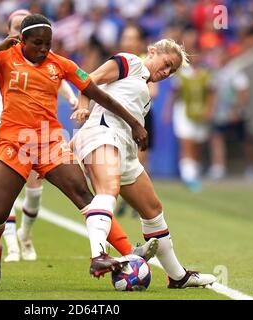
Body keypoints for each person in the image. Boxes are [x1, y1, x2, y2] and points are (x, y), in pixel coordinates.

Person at [0, 13, 154, 289]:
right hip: (13, 144)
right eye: (37, 43)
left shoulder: (60, 64)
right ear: (21, 40)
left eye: (48, 43)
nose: (43, 49)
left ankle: (126, 255)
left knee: (86, 196)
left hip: (50, 143)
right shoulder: (3, 57)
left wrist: (134, 123)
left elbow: (99, 94)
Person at [71, 39, 217, 288]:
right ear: (152, 51)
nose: (166, 72)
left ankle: (177, 276)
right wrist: (83, 106)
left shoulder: (145, 86)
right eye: (167, 64)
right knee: (108, 191)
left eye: (171, 71)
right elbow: (87, 79)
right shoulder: (130, 62)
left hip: (124, 145)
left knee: (153, 209)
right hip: (102, 132)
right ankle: (98, 256)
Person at [0, 9, 79, 263]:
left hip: (34, 131)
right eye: (16, 26)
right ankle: (10, 245)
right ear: (11, 30)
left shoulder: (42, 58)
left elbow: (59, 75)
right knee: (5, 190)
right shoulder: (0, 55)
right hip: (0, 128)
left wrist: (72, 98)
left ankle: (25, 235)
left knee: (34, 190)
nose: (18, 29)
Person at [114, 24, 157, 217]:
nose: (129, 41)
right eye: (126, 37)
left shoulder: (143, 62)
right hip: (119, 115)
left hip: (142, 115)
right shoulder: (117, 61)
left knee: (139, 158)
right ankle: (125, 197)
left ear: (140, 42)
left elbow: (153, 90)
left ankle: (133, 199)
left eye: (132, 37)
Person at [163, 49, 215, 192]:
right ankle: (189, 178)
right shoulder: (181, 75)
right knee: (186, 144)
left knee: (197, 146)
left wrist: (209, 110)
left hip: (200, 114)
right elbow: (174, 94)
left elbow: (211, 93)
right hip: (183, 113)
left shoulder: (206, 74)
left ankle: (193, 174)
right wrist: (168, 111)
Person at [207, 47, 253, 180]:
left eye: (219, 55)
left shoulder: (235, 73)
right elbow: (214, 94)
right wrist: (211, 110)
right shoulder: (215, 73)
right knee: (217, 138)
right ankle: (219, 167)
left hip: (236, 113)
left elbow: (243, 92)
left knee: (245, 141)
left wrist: (236, 110)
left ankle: (251, 167)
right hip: (221, 114)